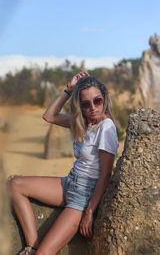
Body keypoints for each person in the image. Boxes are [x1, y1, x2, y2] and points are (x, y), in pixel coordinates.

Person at [8, 71, 119, 255]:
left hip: (83, 195)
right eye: (86, 103)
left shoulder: (106, 128)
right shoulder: (82, 121)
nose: (92, 107)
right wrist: (69, 89)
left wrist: (89, 212)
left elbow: (106, 174)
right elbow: (49, 116)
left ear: (104, 99)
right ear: (81, 106)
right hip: (69, 183)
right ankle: (32, 246)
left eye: (97, 100)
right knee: (15, 185)